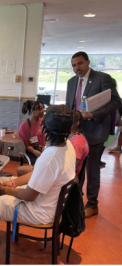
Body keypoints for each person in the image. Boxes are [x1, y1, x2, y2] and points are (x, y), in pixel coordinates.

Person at [0, 108, 75, 257]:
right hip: (50, 202)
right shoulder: (67, 145)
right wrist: (13, 183)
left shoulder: (50, 158)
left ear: (46, 128)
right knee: (1, 180)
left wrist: (7, 190)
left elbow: (29, 195)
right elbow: (37, 174)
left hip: (39, 211)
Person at [65, 51, 122, 218]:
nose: (77, 68)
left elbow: (117, 101)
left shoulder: (103, 78)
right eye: (74, 65)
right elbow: (70, 106)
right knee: (75, 168)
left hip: (95, 131)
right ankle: (76, 200)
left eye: (80, 63)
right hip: (75, 134)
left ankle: (92, 203)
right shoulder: (71, 82)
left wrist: (93, 114)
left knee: (91, 169)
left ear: (88, 62)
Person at [17, 100, 45, 175]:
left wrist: (44, 147)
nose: (43, 111)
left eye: (43, 108)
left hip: (44, 149)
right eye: (40, 109)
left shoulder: (44, 122)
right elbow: (27, 146)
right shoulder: (24, 126)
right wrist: (35, 152)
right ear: (32, 111)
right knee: (35, 167)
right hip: (31, 151)